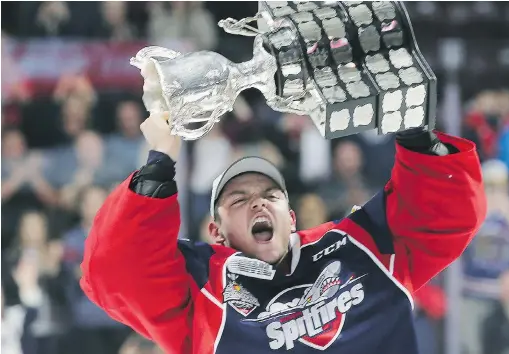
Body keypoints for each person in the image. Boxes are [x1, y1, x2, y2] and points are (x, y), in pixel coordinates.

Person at [80, 111, 486, 354]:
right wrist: (159, 163)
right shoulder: (201, 286)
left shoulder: (356, 244)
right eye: (238, 200)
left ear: (290, 217)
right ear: (216, 231)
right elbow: (114, 272)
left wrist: (416, 135)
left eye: (270, 194)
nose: (258, 202)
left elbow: (446, 215)